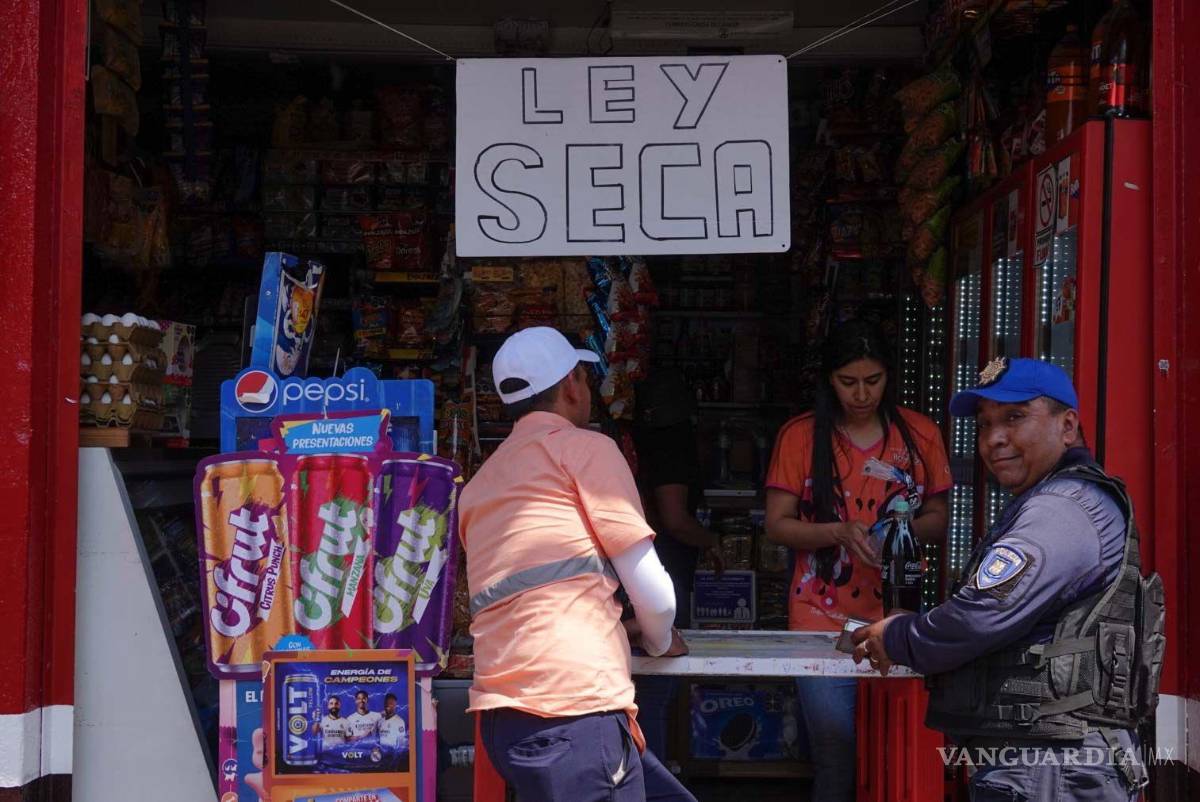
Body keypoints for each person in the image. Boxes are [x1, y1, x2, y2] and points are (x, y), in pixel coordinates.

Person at [852, 357, 1162, 801]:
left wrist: (900, 636)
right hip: (1048, 765)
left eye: (1014, 417)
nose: (994, 439)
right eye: (984, 424)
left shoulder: (1063, 508)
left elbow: (980, 614)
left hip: (1053, 769)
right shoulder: (1054, 499)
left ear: (1067, 426)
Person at [460, 327, 697, 802]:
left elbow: (530, 596)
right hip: (575, 715)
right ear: (572, 385)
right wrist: (658, 637)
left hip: (507, 723)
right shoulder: (585, 450)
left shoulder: (480, 485)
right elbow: (653, 589)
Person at [764, 319, 950, 802]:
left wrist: (897, 532)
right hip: (818, 617)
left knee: (897, 748)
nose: (862, 394)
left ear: (889, 377)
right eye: (849, 382)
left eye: (873, 381)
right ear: (830, 379)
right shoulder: (800, 436)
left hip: (898, 618)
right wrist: (838, 533)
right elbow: (778, 524)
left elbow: (940, 518)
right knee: (835, 749)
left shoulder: (919, 435)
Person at [631, 369, 723, 762]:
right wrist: (714, 543)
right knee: (655, 693)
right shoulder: (672, 443)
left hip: (636, 577)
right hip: (661, 578)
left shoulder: (636, 440)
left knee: (644, 692)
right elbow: (675, 519)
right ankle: (654, 779)